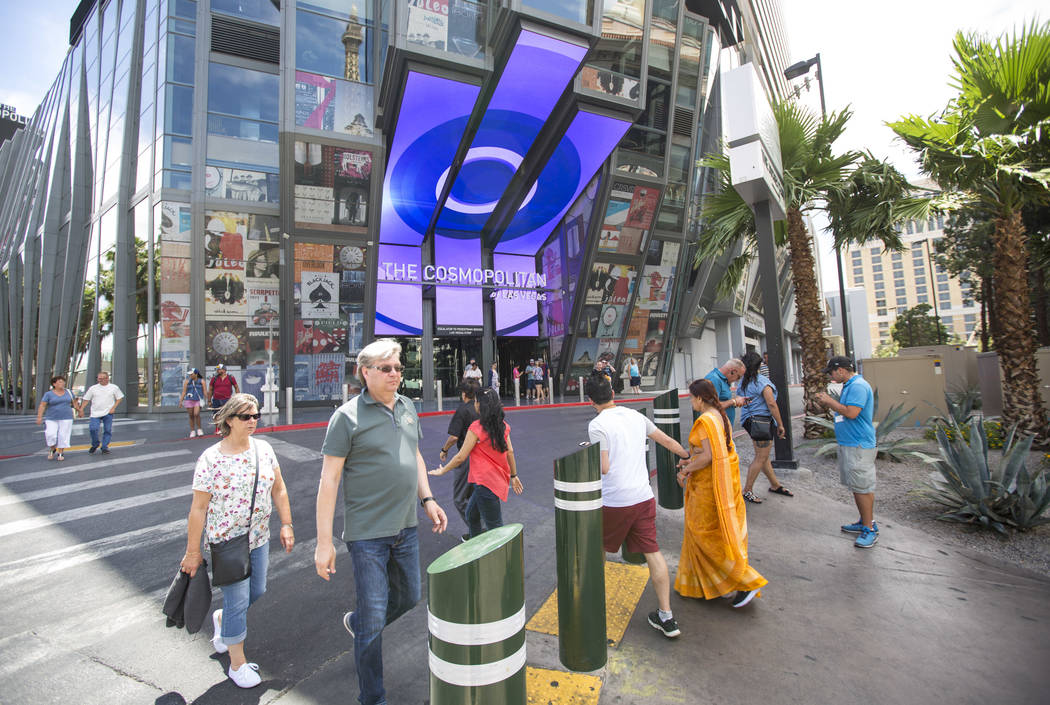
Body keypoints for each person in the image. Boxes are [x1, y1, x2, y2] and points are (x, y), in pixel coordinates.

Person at [314, 339, 448, 705]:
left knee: (409, 597)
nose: (395, 374)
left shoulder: (407, 407)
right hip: (367, 534)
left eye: (399, 368)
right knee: (374, 620)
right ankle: (372, 698)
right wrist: (324, 543)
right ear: (366, 372)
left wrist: (428, 499)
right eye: (386, 368)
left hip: (405, 527)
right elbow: (329, 481)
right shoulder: (347, 417)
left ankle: (358, 625)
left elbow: (415, 456)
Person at [180, 393, 294, 689]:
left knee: (257, 590)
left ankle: (224, 619)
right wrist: (193, 552)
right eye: (246, 416)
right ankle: (237, 664)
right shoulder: (211, 458)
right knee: (238, 599)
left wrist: (286, 523)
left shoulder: (265, 449)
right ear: (228, 420)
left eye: (256, 416)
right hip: (227, 543)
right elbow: (199, 508)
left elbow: (279, 489)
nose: (253, 421)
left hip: (258, 538)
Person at [584, 373, 690, 639]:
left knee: (598, 551)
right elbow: (666, 441)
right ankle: (667, 616)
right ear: (613, 393)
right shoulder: (635, 416)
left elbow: (604, 467)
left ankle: (592, 607)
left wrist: (589, 452)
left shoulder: (597, 425)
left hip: (614, 501)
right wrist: (688, 456)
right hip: (643, 497)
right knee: (653, 552)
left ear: (590, 400)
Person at [675, 378, 767, 607]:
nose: (690, 401)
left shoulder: (705, 420)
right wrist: (691, 457)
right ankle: (708, 584)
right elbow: (714, 450)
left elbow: (708, 456)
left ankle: (744, 581)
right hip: (723, 483)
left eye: (691, 397)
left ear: (699, 397)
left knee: (703, 535)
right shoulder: (719, 415)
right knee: (713, 534)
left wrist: (686, 470)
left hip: (707, 488)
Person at [430, 387, 523, 537]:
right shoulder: (503, 426)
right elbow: (510, 451)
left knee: (495, 527)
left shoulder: (476, 428)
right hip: (494, 480)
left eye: (476, 401)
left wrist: (443, 470)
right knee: (471, 515)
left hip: (485, 484)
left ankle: (498, 556)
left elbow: (461, 456)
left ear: (480, 405)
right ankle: (475, 544)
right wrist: (513, 475)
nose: (474, 404)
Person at [815, 356, 879, 549]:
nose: (832, 377)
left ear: (841, 370)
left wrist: (828, 401)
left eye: (832, 373)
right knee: (857, 485)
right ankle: (865, 521)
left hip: (858, 445)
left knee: (862, 487)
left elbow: (851, 413)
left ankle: (869, 528)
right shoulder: (851, 385)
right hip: (851, 443)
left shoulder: (858, 386)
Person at [737, 351, 792, 503]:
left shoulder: (743, 382)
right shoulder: (762, 382)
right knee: (761, 457)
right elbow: (771, 404)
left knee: (763, 456)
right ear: (759, 365)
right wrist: (780, 424)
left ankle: (775, 485)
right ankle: (747, 490)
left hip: (749, 422)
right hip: (761, 423)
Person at [438, 380, 480, 540]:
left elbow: (454, 437)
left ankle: (478, 530)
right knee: (476, 494)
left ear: (464, 393)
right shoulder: (481, 407)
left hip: (467, 457)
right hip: (482, 456)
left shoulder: (463, 410)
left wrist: (444, 450)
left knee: (459, 498)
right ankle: (482, 527)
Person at [81, 371, 124, 455]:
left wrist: (113, 408)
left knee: (107, 430)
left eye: (102, 378)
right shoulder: (93, 388)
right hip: (95, 413)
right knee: (93, 429)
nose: (100, 380)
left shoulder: (114, 387)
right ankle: (95, 444)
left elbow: (119, 398)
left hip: (108, 412)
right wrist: (81, 409)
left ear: (107, 378)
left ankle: (104, 447)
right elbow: (86, 399)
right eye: (99, 378)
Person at [36, 375, 78, 461]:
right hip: (51, 417)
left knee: (63, 435)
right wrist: (39, 417)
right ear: (54, 384)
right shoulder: (48, 394)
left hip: (66, 417)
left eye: (63, 382)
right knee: (50, 434)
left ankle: (61, 452)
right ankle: (52, 448)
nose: (62, 383)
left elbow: (74, 403)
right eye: (59, 382)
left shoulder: (69, 392)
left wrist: (80, 410)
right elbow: (42, 405)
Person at [704, 359, 747, 427]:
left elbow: (721, 402)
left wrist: (736, 402)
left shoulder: (722, 380)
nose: (737, 380)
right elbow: (712, 406)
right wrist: (734, 401)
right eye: (738, 377)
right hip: (717, 428)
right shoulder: (714, 379)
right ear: (733, 372)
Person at [179, 368, 209, 437]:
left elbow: (204, 391)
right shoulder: (187, 381)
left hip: (198, 400)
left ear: (196, 374)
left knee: (196, 414)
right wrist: (181, 401)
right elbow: (184, 392)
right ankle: (192, 430)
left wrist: (208, 399)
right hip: (189, 400)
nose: (190, 375)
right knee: (191, 415)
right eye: (189, 374)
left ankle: (199, 429)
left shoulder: (201, 381)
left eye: (191, 374)